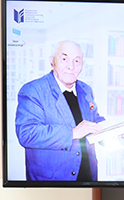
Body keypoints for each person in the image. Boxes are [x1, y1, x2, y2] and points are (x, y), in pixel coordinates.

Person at [15, 40, 105, 181]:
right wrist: (72, 133)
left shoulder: (85, 89)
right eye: (64, 59)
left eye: (77, 61)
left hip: (88, 179)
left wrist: (109, 131)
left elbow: (94, 120)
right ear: (52, 61)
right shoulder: (33, 90)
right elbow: (26, 134)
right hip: (52, 183)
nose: (71, 66)